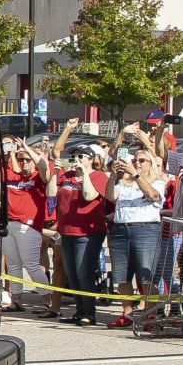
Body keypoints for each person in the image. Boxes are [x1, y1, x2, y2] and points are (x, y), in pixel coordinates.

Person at [103, 126, 167, 328]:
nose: (137, 164)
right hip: (121, 229)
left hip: (145, 229)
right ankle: (127, 313)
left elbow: (153, 196)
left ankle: (150, 314)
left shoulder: (157, 182)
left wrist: (137, 176)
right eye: (135, 160)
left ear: (150, 164)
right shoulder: (125, 183)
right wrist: (114, 177)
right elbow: (110, 196)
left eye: (142, 161)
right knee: (121, 275)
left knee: (146, 275)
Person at [48, 135, 111, 325]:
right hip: (66, 231)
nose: (77, 160)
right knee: (72, 273)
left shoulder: (99, 177)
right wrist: (55, 172)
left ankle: (89, 313)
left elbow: (89, 195)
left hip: (88, 233)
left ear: (91, 159)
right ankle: (79, 309)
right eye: (75, 156)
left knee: (84, 272)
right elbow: (51, 193)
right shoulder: (66, 177)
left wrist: (84, 174)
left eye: (82, 156)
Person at [0, 134, 52, 313]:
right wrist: (10, 153)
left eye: (28, 160)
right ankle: (17, 299)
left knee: (31, 265)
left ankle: (47, 300)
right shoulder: (12, 175)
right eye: (22, 160)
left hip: (28, 227)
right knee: (13, 264)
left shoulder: (38, 178)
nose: (25, 164)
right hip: (9, 224)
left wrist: (27, 148)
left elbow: (44, 167)